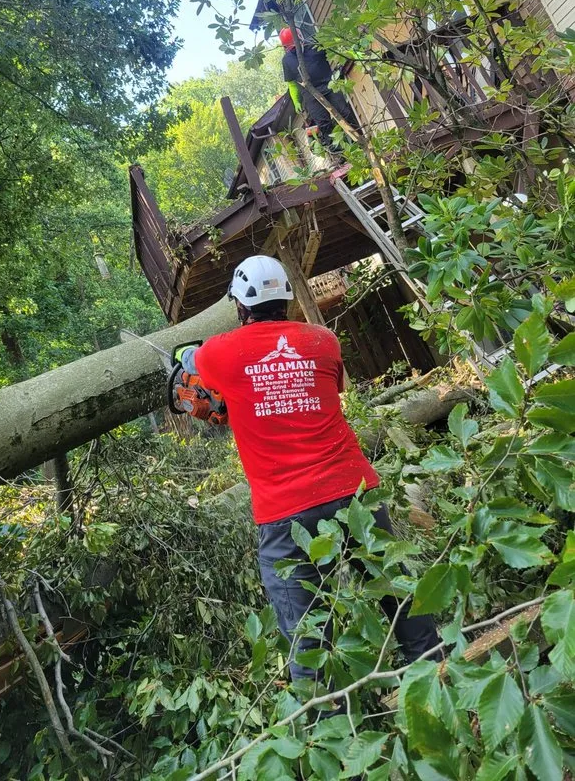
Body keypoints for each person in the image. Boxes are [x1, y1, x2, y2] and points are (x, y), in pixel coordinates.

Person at [182, 255, 440, 686]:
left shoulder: (219, 353)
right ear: (286, 298)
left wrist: (189, 362)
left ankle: (324, 712)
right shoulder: (323, 341)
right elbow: (319, 390)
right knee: (393, 585)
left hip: (286, 510)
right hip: (354, 489)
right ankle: (433, 667)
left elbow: (193, 362)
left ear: (240, 305)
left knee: (306, 631)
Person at [280, 26, 360, 154]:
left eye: (293, 45)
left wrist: (350, 52)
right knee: (323, 123)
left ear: (300, 38)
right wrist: (296, 101)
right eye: (289, 47)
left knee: (345, 113)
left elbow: (334, 51)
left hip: (329, 85)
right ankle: (339, 153)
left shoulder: (315, 46)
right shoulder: (287, 60)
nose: (292, 49)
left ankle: (359, 141)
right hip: (310, 95)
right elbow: (292, 83)